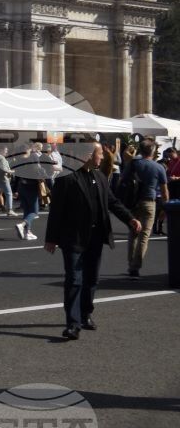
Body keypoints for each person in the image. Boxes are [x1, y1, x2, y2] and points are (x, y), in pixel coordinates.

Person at [44, 142, 141, 340]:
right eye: (100, 154)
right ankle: (73, 323)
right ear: (88, 155)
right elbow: (56, 211)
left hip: (96, 237)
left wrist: (129, 218)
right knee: (74, 279)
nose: (102, 158)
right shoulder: (67, 178)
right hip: (73, 237)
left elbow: (112, 202)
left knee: (91, 279)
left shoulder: (101, 177)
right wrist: (51, 238)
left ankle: (86, 313)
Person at [122, 139, 168, 278]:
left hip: (133, 201)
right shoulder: (159, 167)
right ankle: (136, 266)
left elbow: (122, 180)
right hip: (149, 202)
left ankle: (131, 264)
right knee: (144, 236)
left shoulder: (134, 163)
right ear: (153, 151)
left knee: (133, 233)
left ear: (141, 150)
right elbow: (164, 191)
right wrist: (165, 208)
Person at [15, 145, 43, 239]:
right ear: (28, 149)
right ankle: (22, 225)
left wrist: (15, 189)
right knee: (34, 211)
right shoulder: (33, 156)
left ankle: (28, 232)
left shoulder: (19, 159)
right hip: (32, 186)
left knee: (27, 210)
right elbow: (37, 169)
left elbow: (16, 175)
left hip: (21, 186)